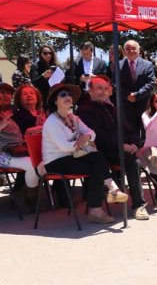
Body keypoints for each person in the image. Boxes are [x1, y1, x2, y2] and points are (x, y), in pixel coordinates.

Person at [42, 83, 129, 225]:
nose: (68, 97)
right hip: (55, 161)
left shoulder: (73, 117)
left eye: (69, 94)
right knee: (96, 165)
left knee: (97, 159)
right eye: (63, 95)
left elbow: (91, 132)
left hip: (72, 156)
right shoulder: (51, 122)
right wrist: (86, 142)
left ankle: (107, 198)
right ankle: (105, 199)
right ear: (55, 101)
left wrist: (86, 137)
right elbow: (65, 147)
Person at [78, 75, 149, 220]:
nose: (103, 92)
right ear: (90, 91)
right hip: (102, 151)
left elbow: (128, 129)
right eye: (99, 88)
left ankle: (139, 205)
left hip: (120, 149)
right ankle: (138, 204)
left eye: (105, 89)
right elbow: (98, 135)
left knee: (136, 159)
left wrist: (135, 144)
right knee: (132, 161)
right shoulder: (84, 111)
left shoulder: (111, 108)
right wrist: (122, 146)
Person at [0, 83, 39, 213]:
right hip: (3, 154)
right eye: (1, 92)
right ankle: (26, 198)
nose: (4, 95)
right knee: (33, 164)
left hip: (14, 151)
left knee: (38, 162)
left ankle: (25, 196)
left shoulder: (9, 112)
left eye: (7, 93)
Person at [118, 40, 155, 141]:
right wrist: (128, 95)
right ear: (124, 51)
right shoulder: (118, 65)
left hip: (143, 104)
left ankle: (147, 153)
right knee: (130, 133)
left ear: (139, 50)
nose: (131, 51)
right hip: (126, 105)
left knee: (146, 132)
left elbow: (151, 83)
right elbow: (115, 84)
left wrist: (137, 95)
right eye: (128, 49)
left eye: (133, 48)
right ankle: (134, 154)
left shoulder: (148, 65)